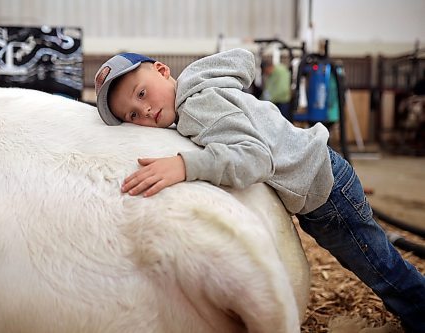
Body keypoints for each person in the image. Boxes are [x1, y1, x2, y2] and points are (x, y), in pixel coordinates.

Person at [94, 49, 425, 332]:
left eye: (141, 94)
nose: (145, 112)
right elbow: (245, 62)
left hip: (327, 191)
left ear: (162, 71)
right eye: (133, 115)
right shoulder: (200, 88)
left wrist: (185, 165)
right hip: (322, 179)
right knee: (374, 263)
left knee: (381, 269)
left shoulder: (198, 106)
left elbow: (255, 158)